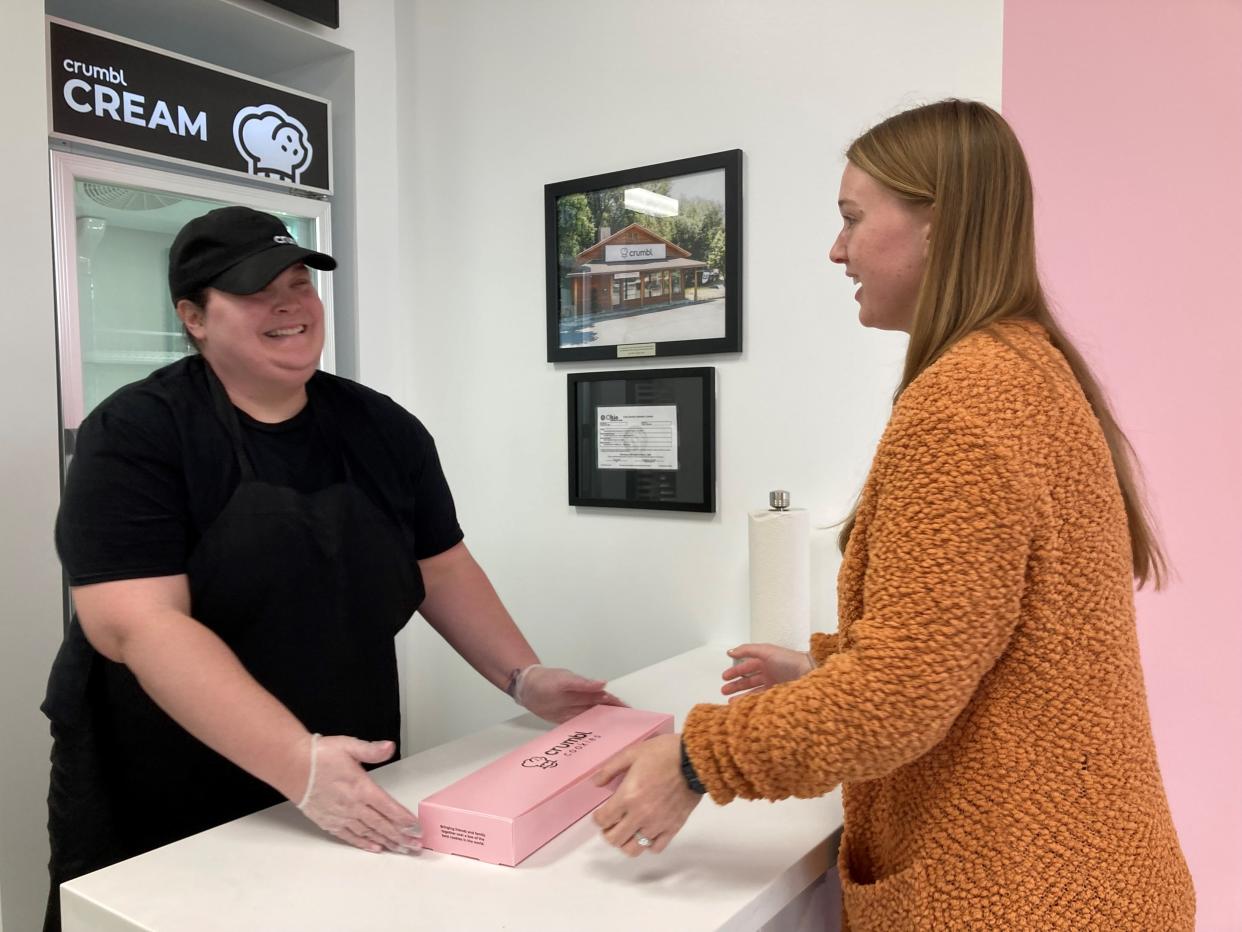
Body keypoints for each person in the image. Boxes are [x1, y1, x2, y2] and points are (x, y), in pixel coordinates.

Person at [590, 100, 1195, 930]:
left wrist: (696, 759)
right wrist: (825, 668)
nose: (836, 250)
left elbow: (899, 698)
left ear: (936, 226)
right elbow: (977, 636)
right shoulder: (1026, 368)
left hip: (1021, 896)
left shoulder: (966, 401)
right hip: (1088, 875)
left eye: (851, 219)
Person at [42, 206, 622, 931]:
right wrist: (294, 762)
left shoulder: (382, 428)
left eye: (298, 284)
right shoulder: (136, 433)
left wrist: (522, 676)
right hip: (160, 772)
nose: (289, 304)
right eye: (256, 290)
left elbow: (439, 568)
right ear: (194, 317)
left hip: (342, 755)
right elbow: (136, 624)